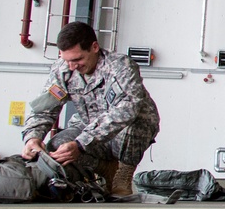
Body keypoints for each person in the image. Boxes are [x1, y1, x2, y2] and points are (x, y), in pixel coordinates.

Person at [21, 21, 160, 196]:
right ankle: (105, 169)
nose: (72, 66)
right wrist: (32, 138)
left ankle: (123, 173)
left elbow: (126, 111)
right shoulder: (63, 69)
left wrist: (81, 143)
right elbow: (45, 108)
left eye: (78, 59)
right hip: (88, 127)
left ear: (94, 47)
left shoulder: (121, 66)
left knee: (135, 123)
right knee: (56, 146)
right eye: (67, 60)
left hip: (126, 129)